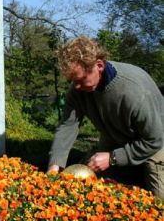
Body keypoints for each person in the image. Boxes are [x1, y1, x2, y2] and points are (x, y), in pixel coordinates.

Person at [48, 36, 164, 199]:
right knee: (88, 188)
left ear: (99, 66)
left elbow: (154, 139)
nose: (76, 87)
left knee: (158, 205)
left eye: (81, 80)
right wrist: (55, 165)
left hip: (156, 141)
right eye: (72, 81)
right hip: (115, 137)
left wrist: (113, 158)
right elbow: (68, 126)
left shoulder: (134, 91)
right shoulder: (77, 89)